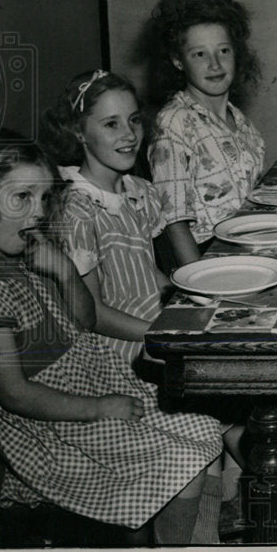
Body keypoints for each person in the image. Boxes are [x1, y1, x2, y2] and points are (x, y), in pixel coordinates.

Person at [0, 139, 225, 543]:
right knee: (182, 460)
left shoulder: (31, 253)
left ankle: (191, 540)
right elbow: (15, 395)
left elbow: (85, 320)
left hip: (98, 382)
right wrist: (99, 408)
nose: (38, 211)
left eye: (43, 197)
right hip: (56, 426)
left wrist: (67, 274)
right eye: (22, 196)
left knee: (206, 429)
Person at [41, 70, 169, 366]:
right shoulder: (77, 208)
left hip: (153, 322)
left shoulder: (140, 192)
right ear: (78, 131)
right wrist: (161, 335)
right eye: (112, 124)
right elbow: (93, 314)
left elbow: (148, 275)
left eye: (134, 120)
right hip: (117, 348)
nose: (129, 134)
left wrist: (189, 302)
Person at [147, 0, 265, 268]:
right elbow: (175, 222)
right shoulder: (173, 122)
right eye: (199, 54)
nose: (215, 64)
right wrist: (201, 285)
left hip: (248, 247)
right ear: (178, 61)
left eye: (223, 51)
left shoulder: (238, 118)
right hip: (207, 258)